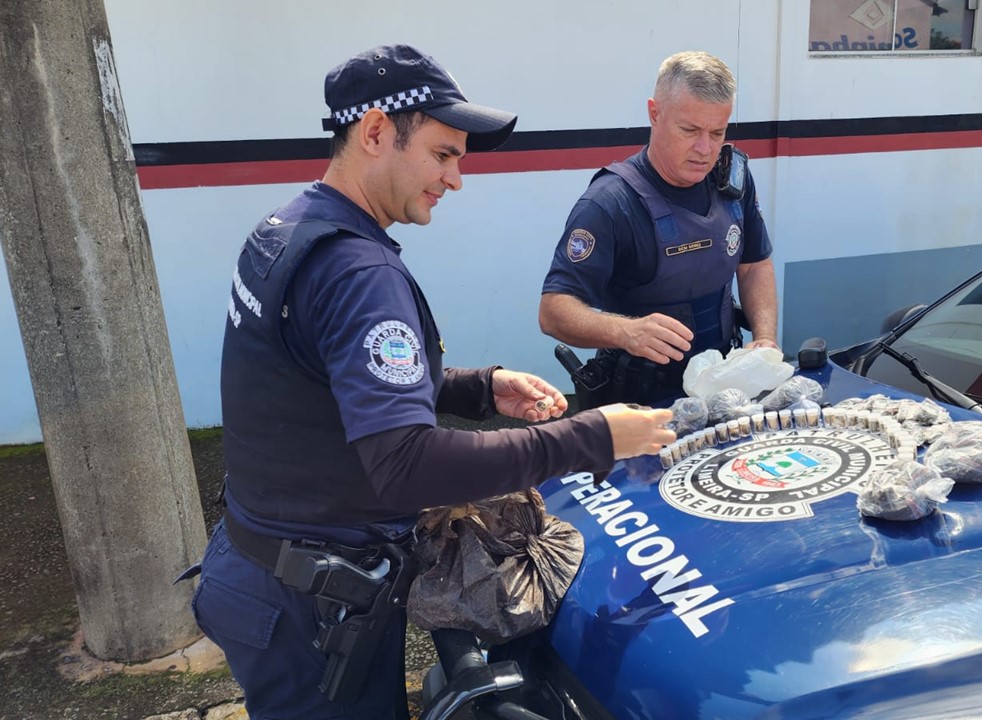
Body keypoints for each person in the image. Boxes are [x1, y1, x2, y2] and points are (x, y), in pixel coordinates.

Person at [189, 44, 674, 720]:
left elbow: (326, 369)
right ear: (377, 132)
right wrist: (590, 437)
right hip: (306, 610)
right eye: (444, 154)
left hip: (257, 568)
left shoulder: (289, 231)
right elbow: (407, 464)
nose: (455, 180)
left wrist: (478, 388)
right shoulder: (359, 274)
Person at [538, 50, 779, 408]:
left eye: (717, 132)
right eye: (689, 130)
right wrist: (626, 332)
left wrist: (764, 339)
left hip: (724, 384)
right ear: (655, 113)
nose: (704, 149)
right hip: (642, 399)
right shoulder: (610, 203)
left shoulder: (732, 182)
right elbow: (553, 310)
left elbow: (754, 264)